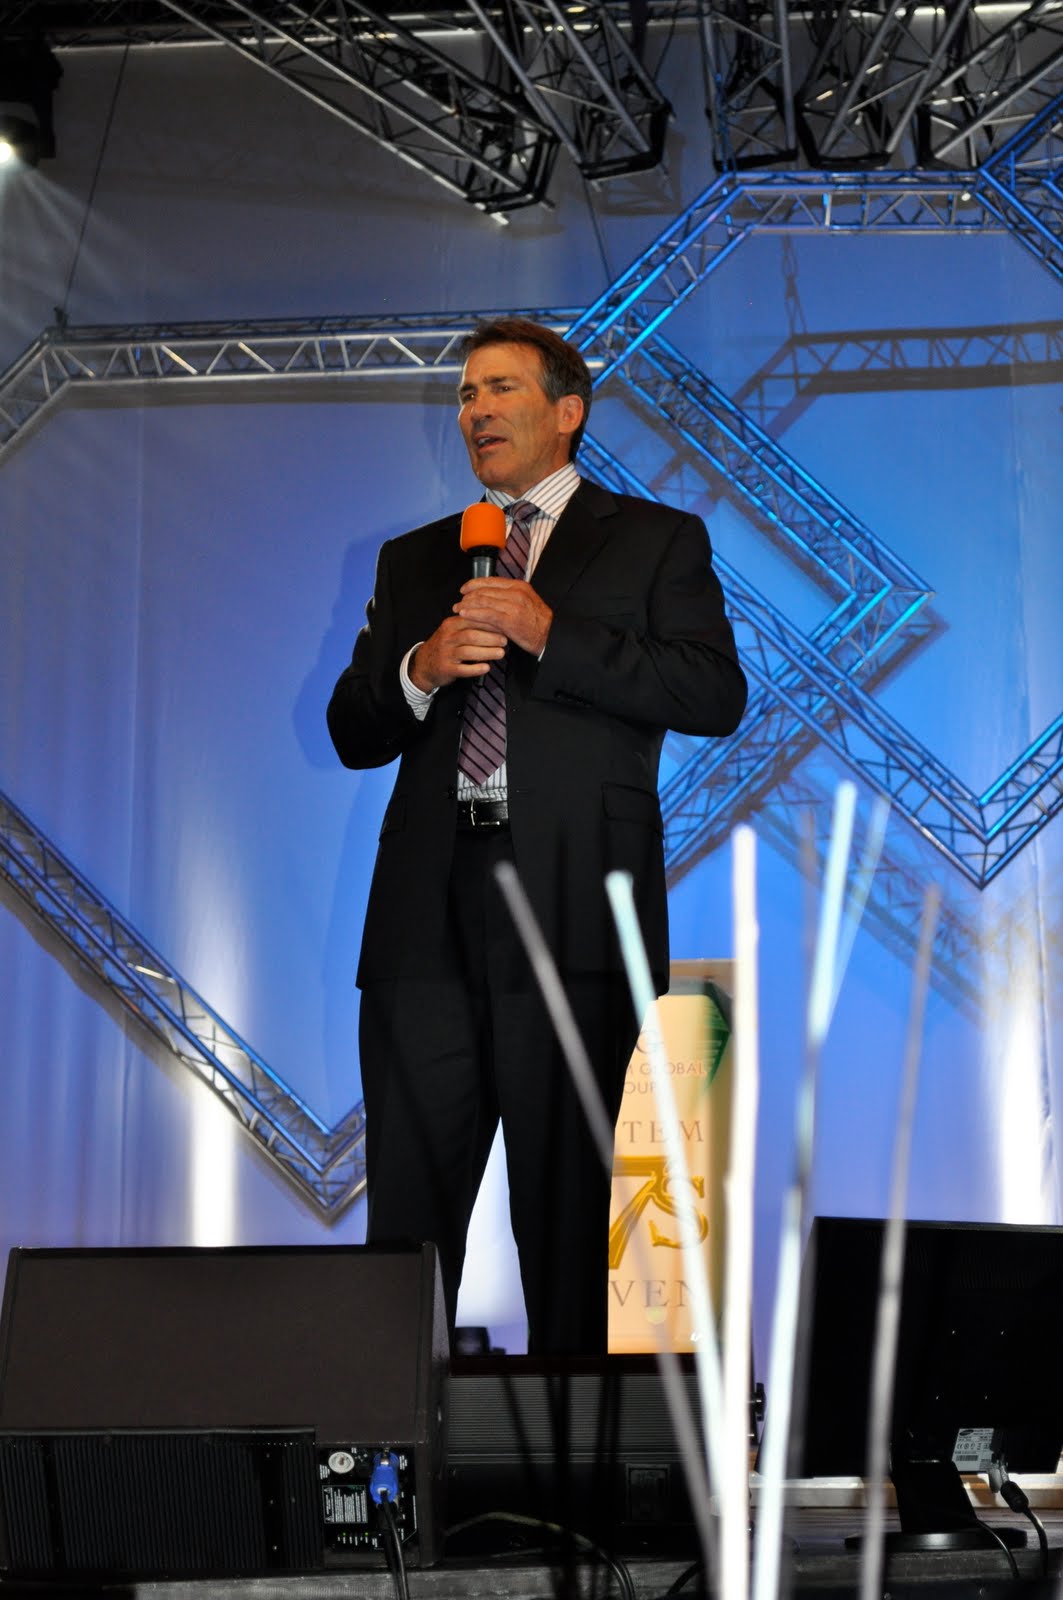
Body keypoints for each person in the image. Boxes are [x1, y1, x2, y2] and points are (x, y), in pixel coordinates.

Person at [327, 317, 747, 1355]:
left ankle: (575, 1458)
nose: (475, 411)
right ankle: (395, 1447)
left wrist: (551, 632)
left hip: (573, 912)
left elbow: (711, 691)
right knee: (408, 1225)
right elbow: (351, 729)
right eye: (465, 394)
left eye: (499, 389)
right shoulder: (416, 557)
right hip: (426, 922)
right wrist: (419, 669)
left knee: (570, 1220)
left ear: (567, 412)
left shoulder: (653, 539)